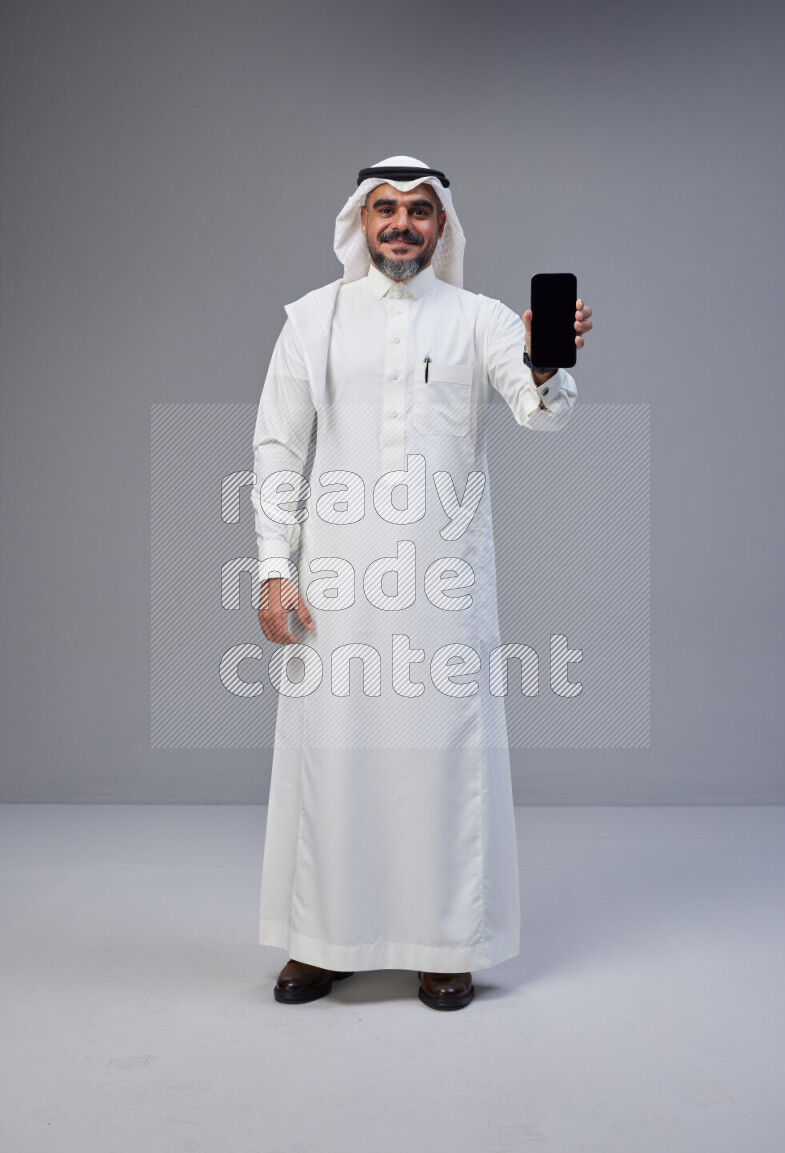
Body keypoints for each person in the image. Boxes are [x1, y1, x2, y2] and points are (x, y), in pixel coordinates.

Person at [252, 155, 592, 1011]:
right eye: (385, 209)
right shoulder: (313, 318)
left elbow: (540, 412)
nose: (401, 224)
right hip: (336, 586)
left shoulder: (481, 320)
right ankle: (322, 942)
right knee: (335, 761)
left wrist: (543, 365)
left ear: (442, 226)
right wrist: (273, 569)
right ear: (360, 222)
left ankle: (446, 945)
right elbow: (278, 449)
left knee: (443, 762)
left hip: (444, 591)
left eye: (418, 210)